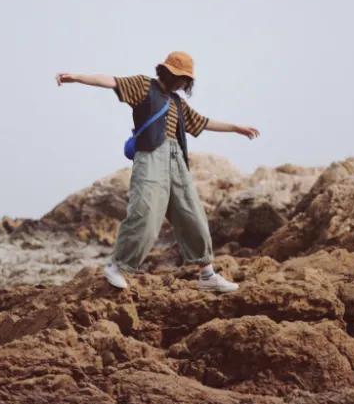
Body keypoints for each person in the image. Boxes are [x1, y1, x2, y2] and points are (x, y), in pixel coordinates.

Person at [55, 51, 260, 293]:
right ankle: (117, 266)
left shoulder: (177, 102)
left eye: (186, 79)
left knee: (193, 215)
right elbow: (110, 81)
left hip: (177, 161)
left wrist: (236, 128)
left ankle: (207, 275)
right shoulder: (143, 85)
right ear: (168, 72)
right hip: (151, 157)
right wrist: (77, 77)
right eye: (180, 77)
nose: (183, 82)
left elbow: (203, 122)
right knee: (145, 213)